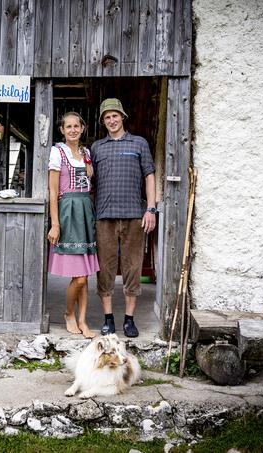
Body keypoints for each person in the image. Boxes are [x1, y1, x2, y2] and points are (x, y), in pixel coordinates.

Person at [91, 98, 156, 338]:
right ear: (103, 121)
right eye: (107, 117)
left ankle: (129, 319)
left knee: (132, 267)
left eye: (115, 115)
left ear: (122, 117)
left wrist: (150, 209)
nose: (111, 120)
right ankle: (108, 318)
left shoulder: (139, 143)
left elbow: (149, 176)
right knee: (105, 268)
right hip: (104, 216)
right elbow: (89, 181)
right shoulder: (97, 147)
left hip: (133, 216)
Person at [47, 112, 100, 339]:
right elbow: (52, 190)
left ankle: (83, 320)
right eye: (68, 126)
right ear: (62, 130)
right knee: (77, 277)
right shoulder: (57, 152)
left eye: (76, 126)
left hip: (85, 212)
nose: (72, 130)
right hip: (68, 213)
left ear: (82, 127)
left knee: (85, 275)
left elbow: (90, 186)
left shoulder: (87, 153)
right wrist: (55, 224)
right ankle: (69, 313)